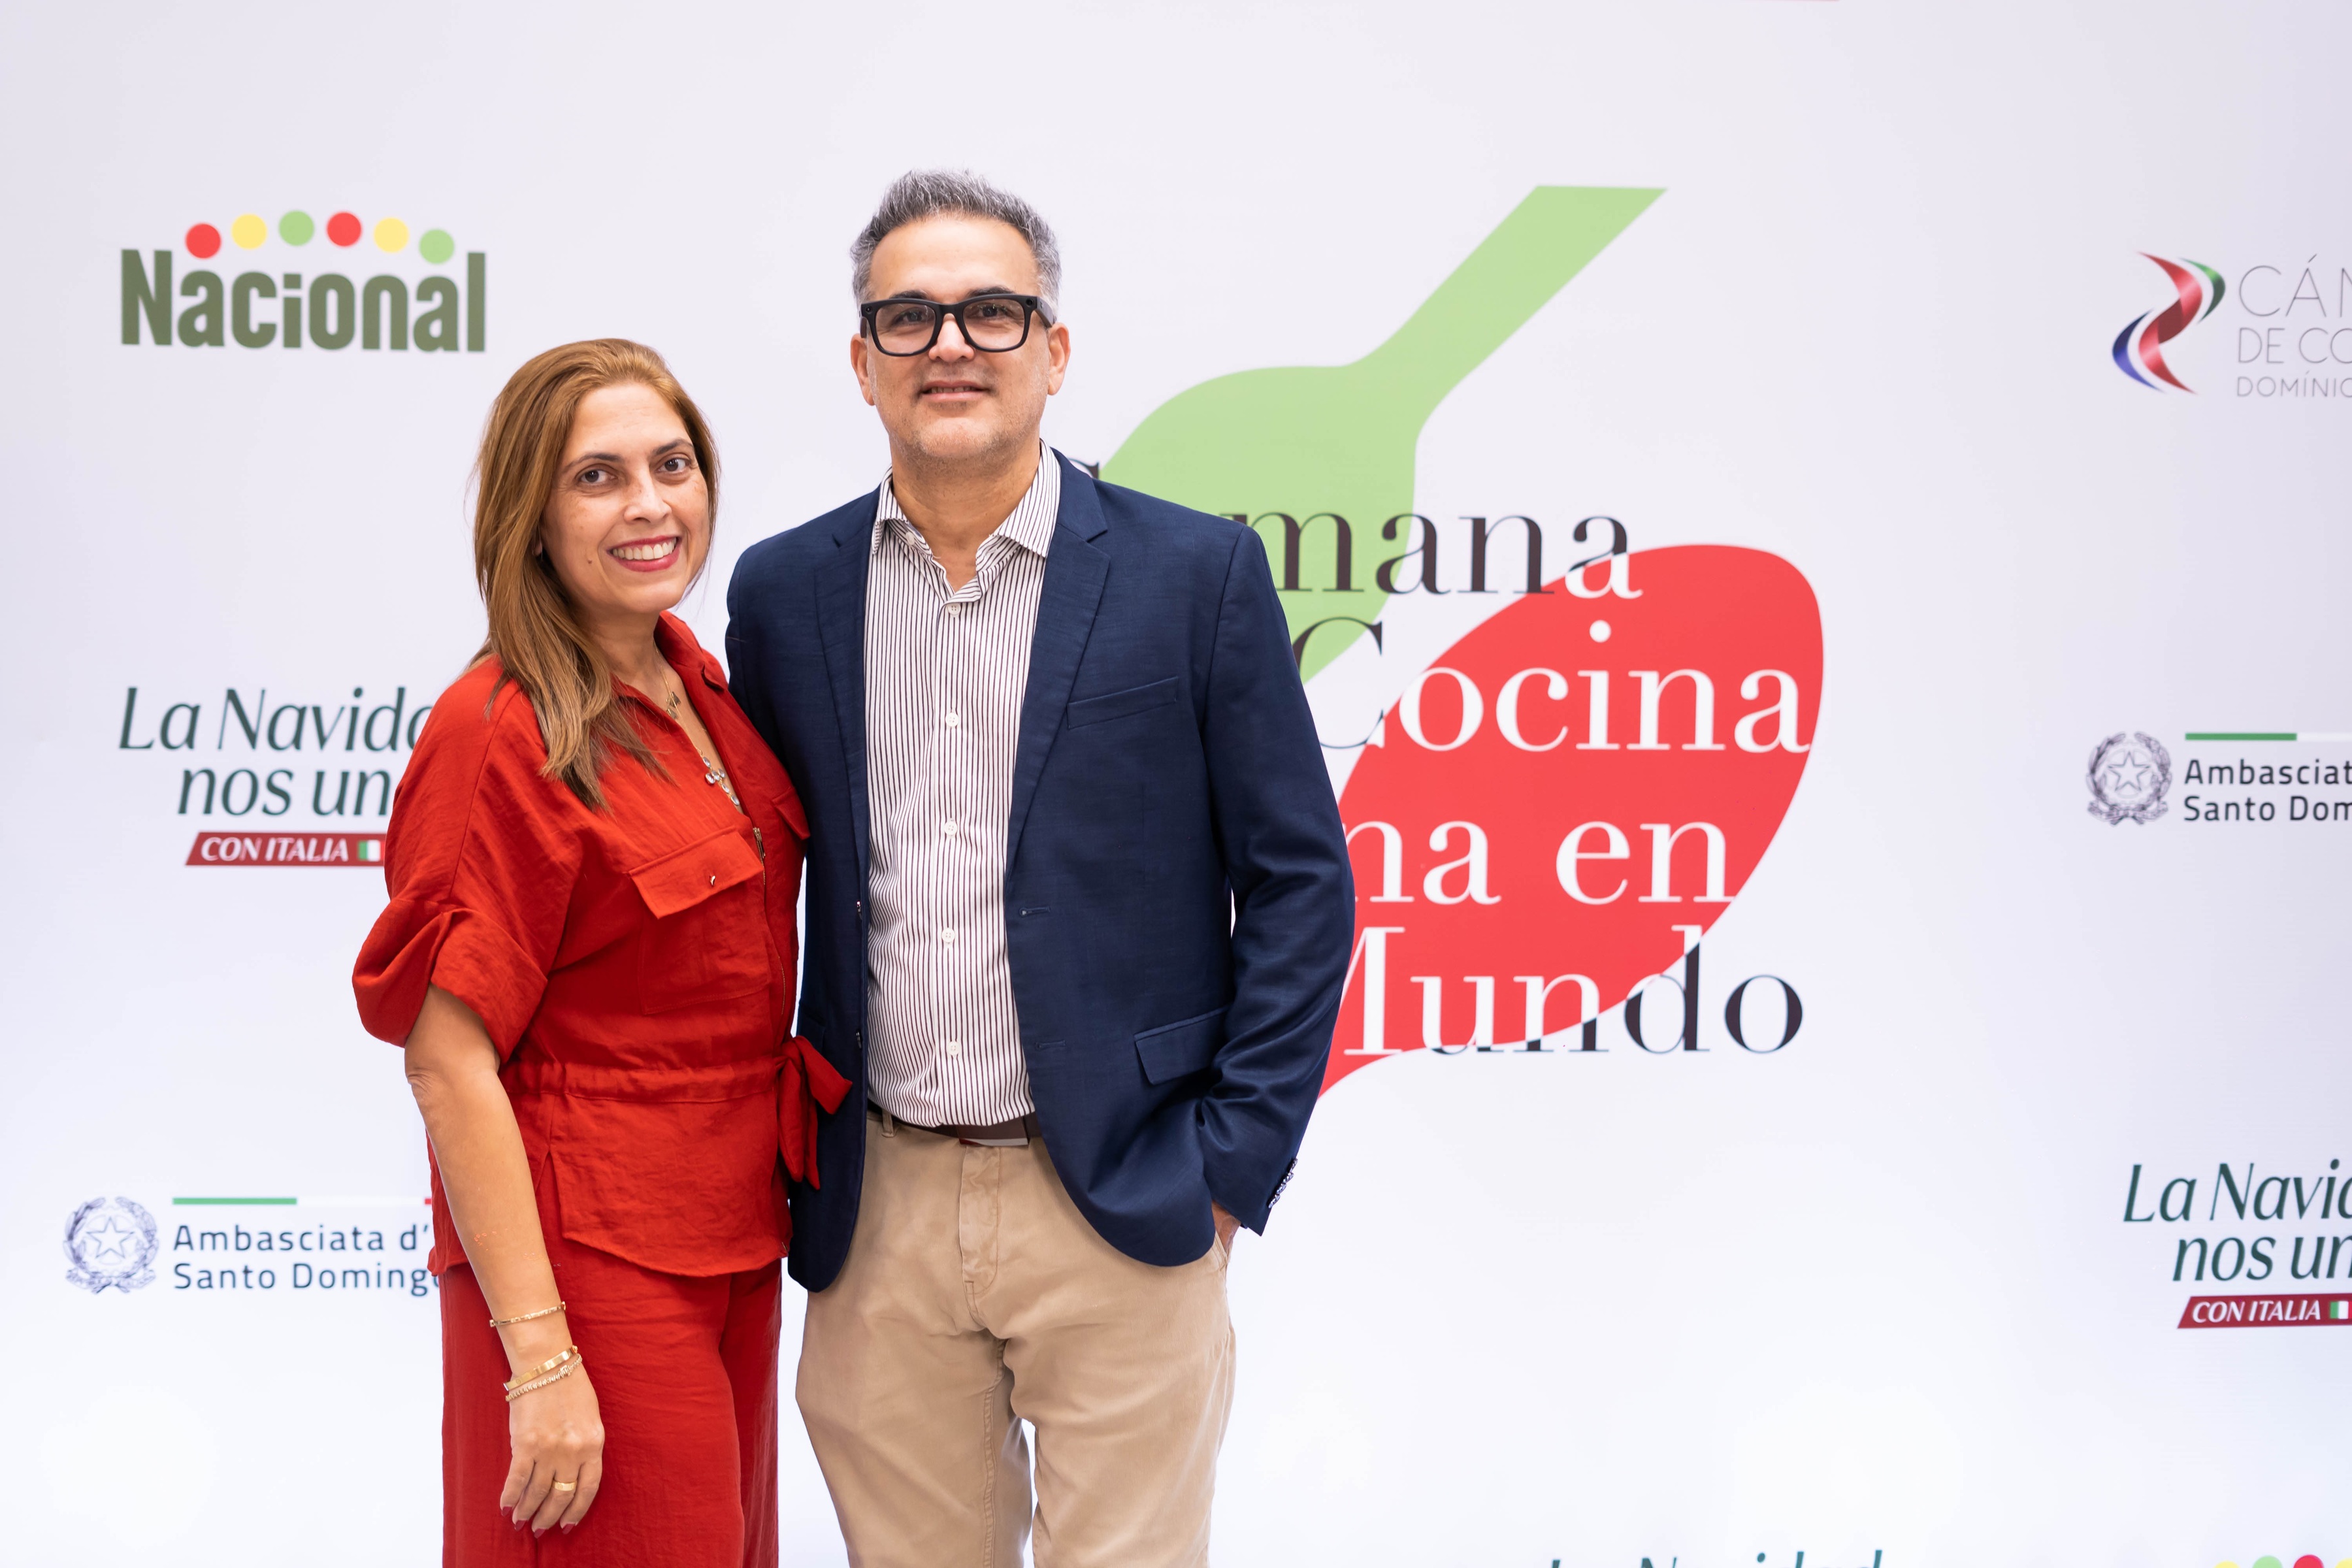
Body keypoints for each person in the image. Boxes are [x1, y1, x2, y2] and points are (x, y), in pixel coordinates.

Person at [725, 171, 1355, 1566]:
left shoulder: (1196, 575)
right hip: (877, 1208)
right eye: (908, 317)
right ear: (863, 363)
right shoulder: (781, 593)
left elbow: (1302, 885)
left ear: (1055, 352)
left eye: (993, 312)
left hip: (1124, 1198)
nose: (950, 344)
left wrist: (1227, 1166)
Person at [353, 339, 840, 1567]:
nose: (650, 505)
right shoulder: (497, 730)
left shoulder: (701, 686)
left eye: (673, 465)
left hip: (736, 1239)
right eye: (597, 477)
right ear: (531, 518)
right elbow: (448, 1061)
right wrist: (540, 1354)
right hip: (588, 1266)